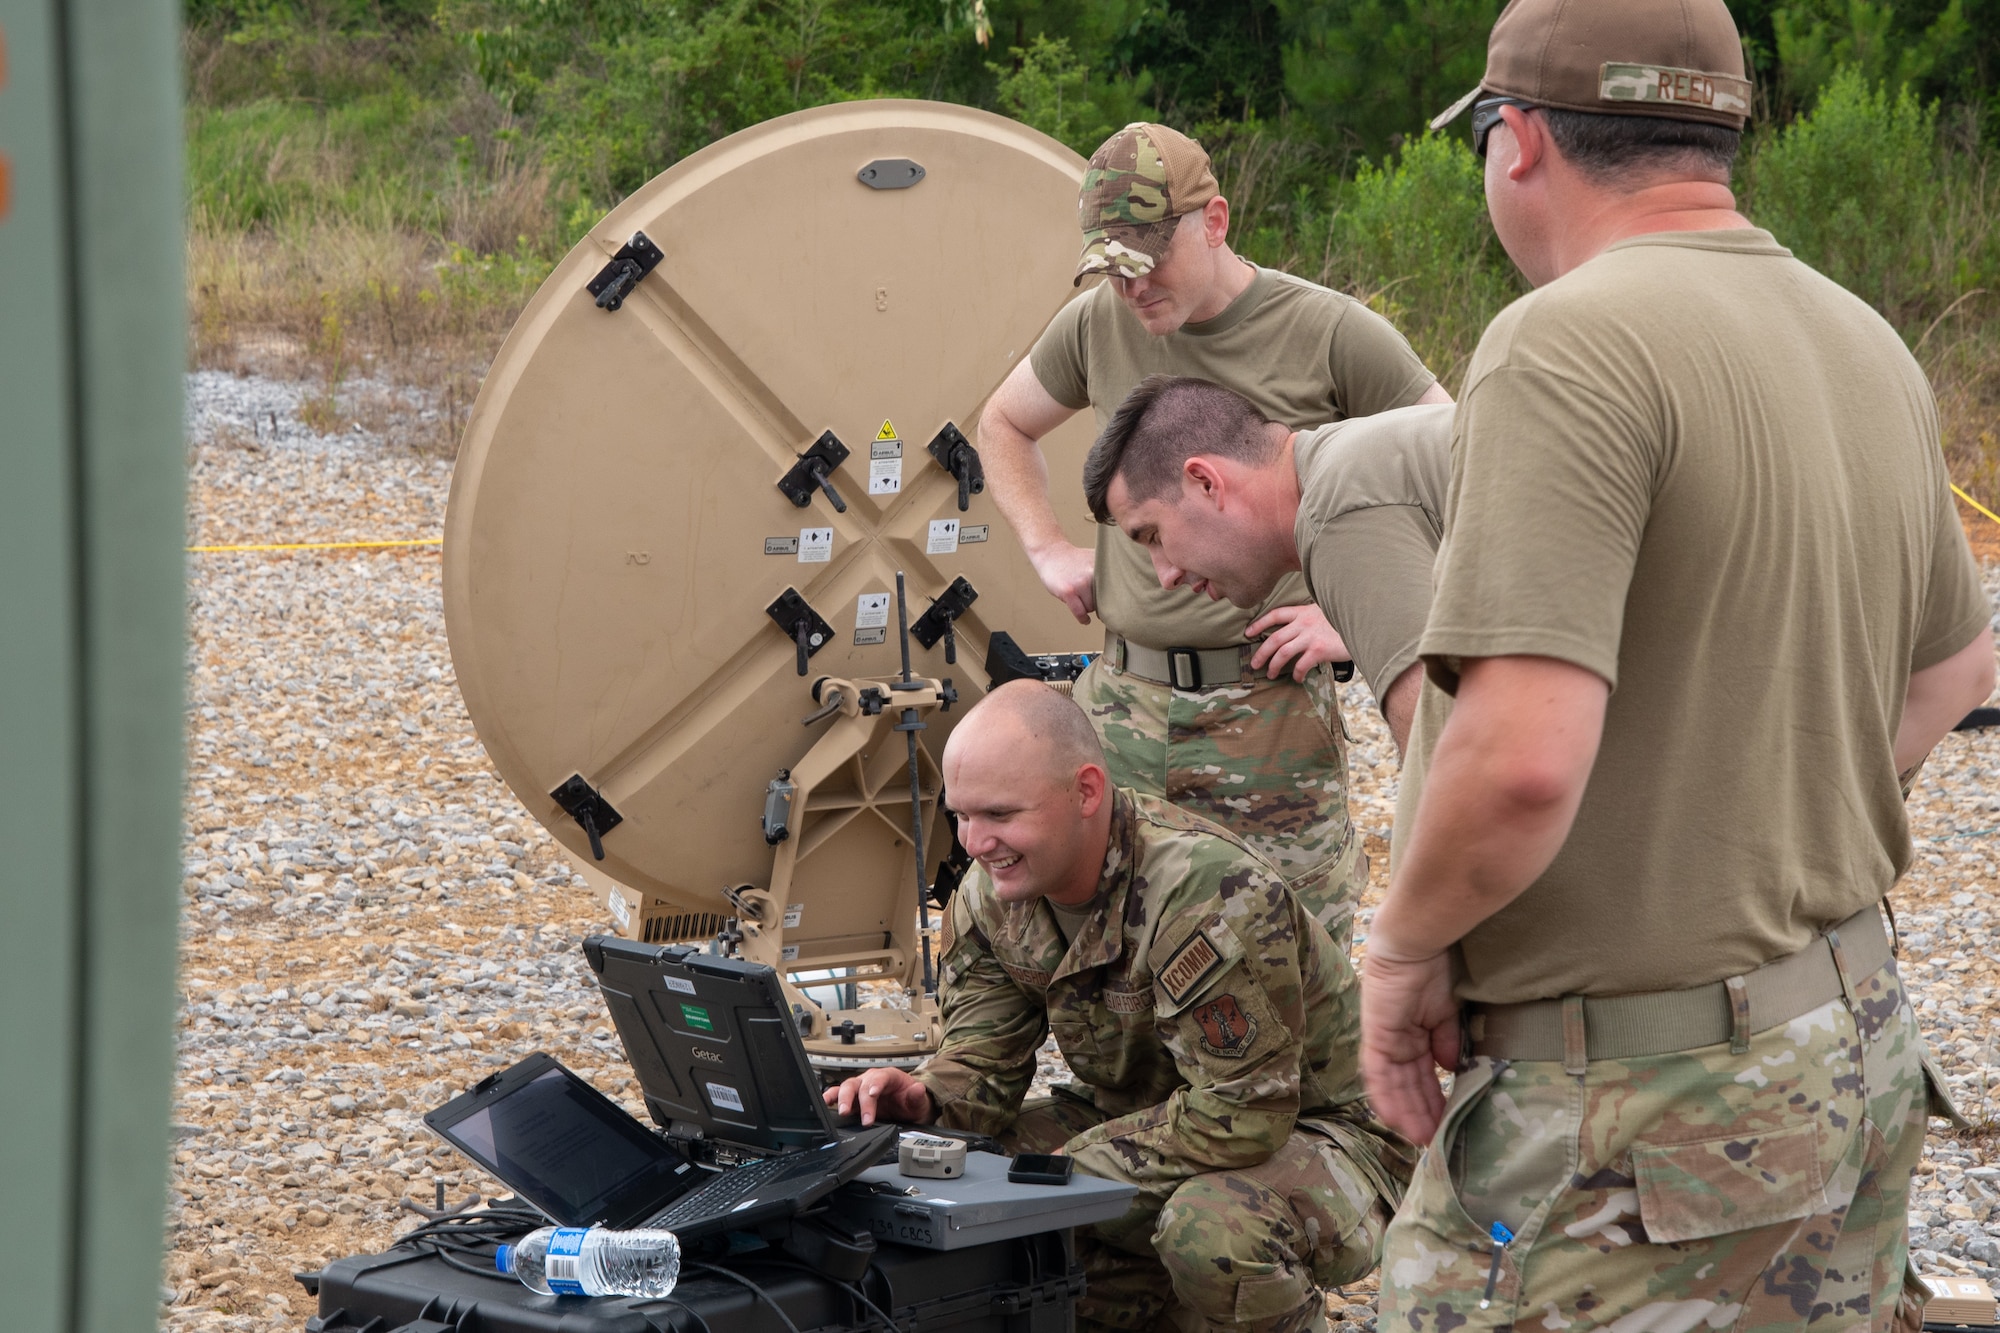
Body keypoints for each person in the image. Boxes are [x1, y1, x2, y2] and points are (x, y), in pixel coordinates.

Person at [1356, 1, 1998, 1330]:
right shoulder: (1864, 338)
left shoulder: (1564, 343)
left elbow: (1522, 760)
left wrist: (1402, 952)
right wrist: (1757, 820)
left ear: (1517, 141)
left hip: (1634, 1119)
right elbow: (1955, 664)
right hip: (1844, 1049)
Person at [978, 120, 1452, 949]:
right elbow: (1003, 423)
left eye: (1148, 262)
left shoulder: (1329, 332)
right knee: (1122, 956)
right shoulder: (1097, 324)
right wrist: (1047, 545)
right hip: (1127, 706)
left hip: (1267, 717)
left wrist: (1349, 618)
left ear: (1216, 222)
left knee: (1290, 956)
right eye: (1113, 271)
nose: (1133, 291)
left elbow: (1455, 465)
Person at [825, 681, 1413, 1333]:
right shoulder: (991, 894)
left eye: (998, 813)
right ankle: (1154, 1304)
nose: (976, 840)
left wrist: (1067, 1175)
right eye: (960, 815)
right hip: (1143, 1112)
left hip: (1325, 1128)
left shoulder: (1203, 895)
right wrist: (926, 1097)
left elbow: (1248, 1112)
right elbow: (985, 1064)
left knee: (1209, 1229)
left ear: (1086, 791)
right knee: (942, 1175)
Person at [1080, 374, 1451, 757]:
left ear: (1206, 482)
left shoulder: (1334, 511)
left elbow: (1447, 757)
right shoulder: (1342, 469)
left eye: (1154, 536)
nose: (1166, 576)